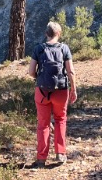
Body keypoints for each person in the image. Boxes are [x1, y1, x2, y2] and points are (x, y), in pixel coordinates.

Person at [27, 21, 77, 168]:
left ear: (46, 34)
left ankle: (41, 159)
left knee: (43, 124)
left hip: (42, 91)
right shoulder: (64, 48)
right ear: (59, 34)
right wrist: (73, 89)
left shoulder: (39, 49)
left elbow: (30, 72)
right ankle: (60, 154)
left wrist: (39, 78)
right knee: (60, 119)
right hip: (61, 90)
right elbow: (71, 71)